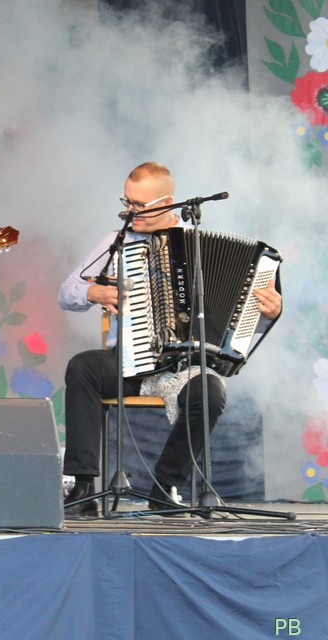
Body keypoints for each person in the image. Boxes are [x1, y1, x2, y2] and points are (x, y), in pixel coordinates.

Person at [58, 162, 282, 516]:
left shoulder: (197, 243)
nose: (129, 211)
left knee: (210, 391)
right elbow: (66, 292)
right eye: (127, 202)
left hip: (182, 368)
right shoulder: (117, 242)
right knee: (82, 367)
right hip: (129, 361)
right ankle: (83, 486)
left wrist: (269, 311)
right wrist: (92, 292)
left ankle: (166, 486)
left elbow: (237, 321)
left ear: (167, 202)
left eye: (139, 205)